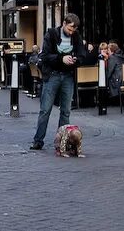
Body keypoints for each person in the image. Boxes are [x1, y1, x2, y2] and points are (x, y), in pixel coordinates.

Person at [30, 13, 88, 151]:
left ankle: (62, 142)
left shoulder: (76, 36)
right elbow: (44, 56)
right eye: (69, 29)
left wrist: (76, 60)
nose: (71, 32)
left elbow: (82, 55)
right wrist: (61, 58)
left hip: (68, 76)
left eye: (73, 30)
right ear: (63, 24)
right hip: (52, 75)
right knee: (45, 109)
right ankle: (38, 141)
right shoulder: (51, 34)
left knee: (66, 111)